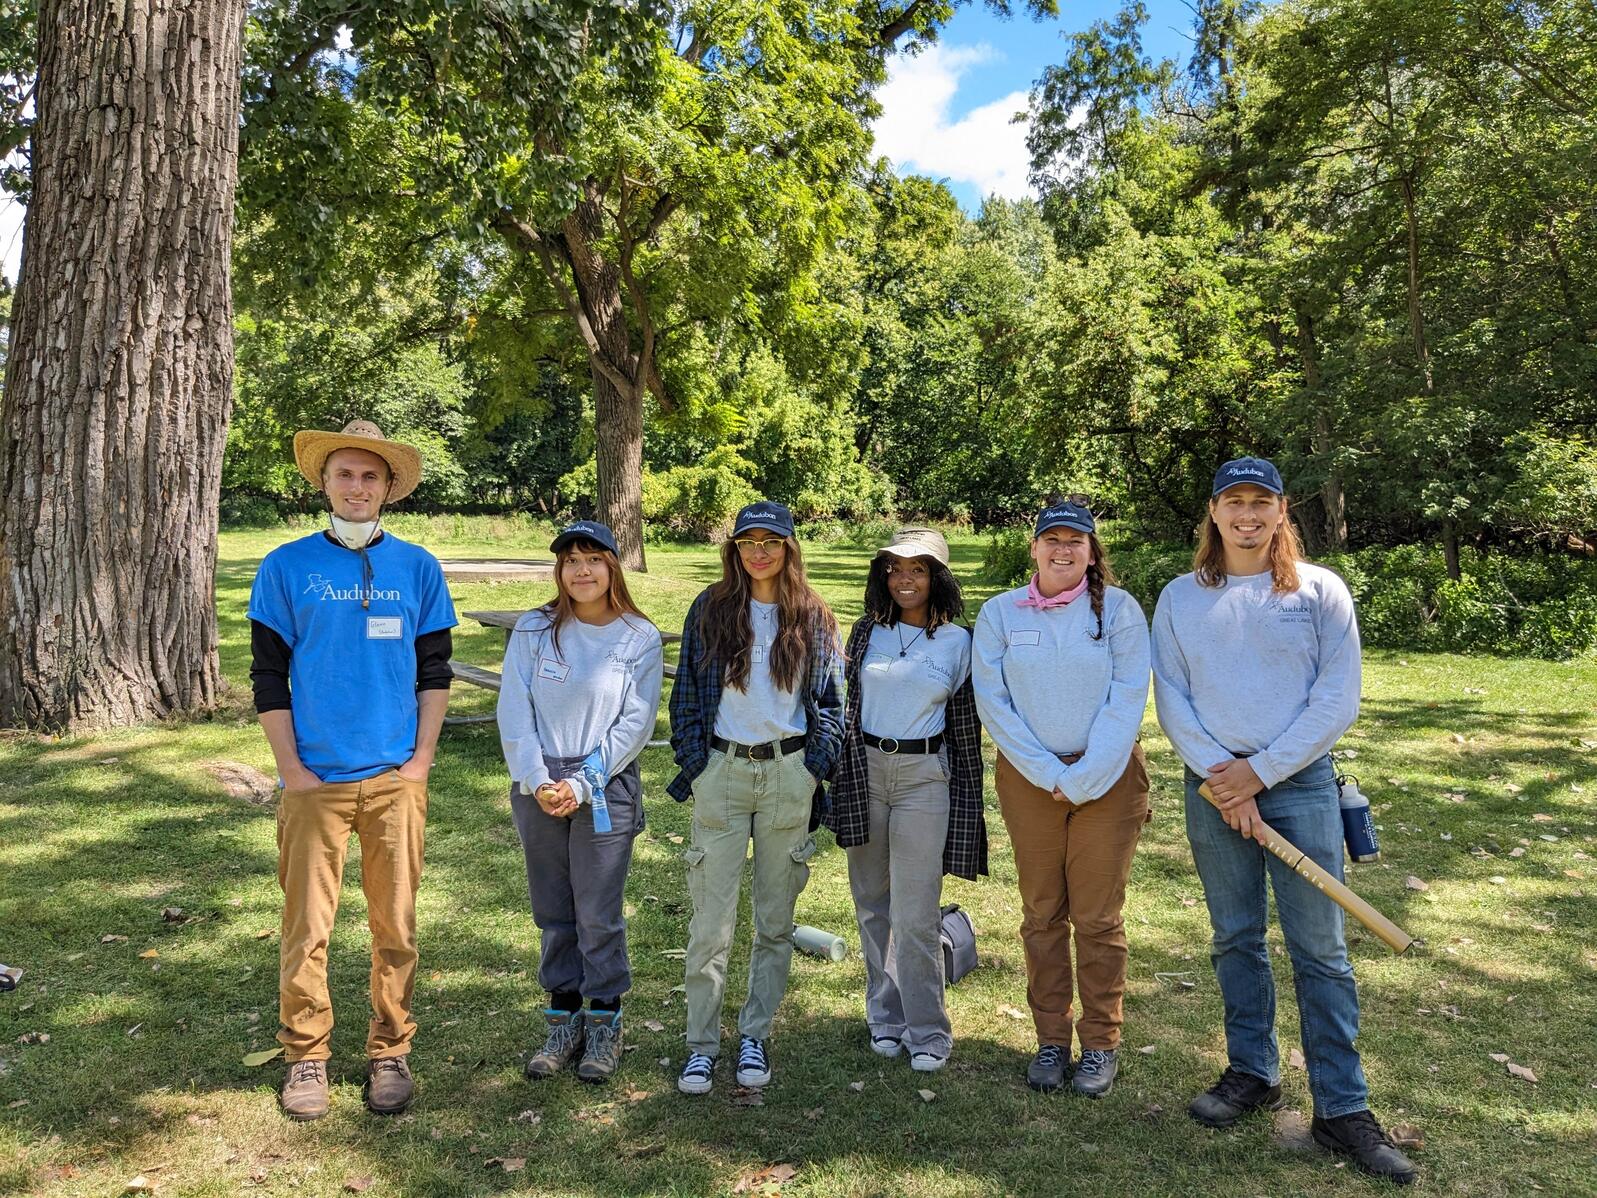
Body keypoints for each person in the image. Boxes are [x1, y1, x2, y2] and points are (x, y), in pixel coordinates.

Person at [1151, 457, 1416, 1185]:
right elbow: (1170, 695)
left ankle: (1341, 1108)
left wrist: (1259, 774)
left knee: (1319, 950)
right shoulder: (1180, 597)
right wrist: (1223, 778)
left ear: (1279, 510)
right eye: (1232, 502)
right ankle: (1251, 1073)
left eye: (1258, 503)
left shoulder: (1319, 590)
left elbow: (1337, 699)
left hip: (1296, 786)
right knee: (1234, 937)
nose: (1245, 515)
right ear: (1212, 511)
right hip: (1210, 787)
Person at [247, 420, 457, 1120]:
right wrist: (292, 771)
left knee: (394, 925)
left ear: (388, 488)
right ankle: (306, 1055)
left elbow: (435, 671)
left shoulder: (418, 569)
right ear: (324, 482)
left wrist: (420, 762)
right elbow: (268, 678)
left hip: (394, 778)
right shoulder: (284, 566)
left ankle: (389, 1048)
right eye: (345, 474)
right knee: (308, 926)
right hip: (315, 780)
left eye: (371, 476)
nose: (358, 486)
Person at [972, 499, 1150, 1097]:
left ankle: (1101, 1044)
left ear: (1092, 551)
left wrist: (1083, 776)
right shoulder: (1000, 613)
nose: (1063, 550)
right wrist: (1046, 771)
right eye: (1053, 540)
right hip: (1030, 779)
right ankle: (1052, 1039)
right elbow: (993, 701)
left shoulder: (1120, 611)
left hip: (1108, 779)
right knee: (1043, 913)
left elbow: (1127, 697)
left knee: (1098, 917)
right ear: (1035, 548)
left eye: (1077, 541)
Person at [667, 501, 844, 1096]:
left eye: (772, 541)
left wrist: (811, 771)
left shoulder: (813, 615)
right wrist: (699, 766)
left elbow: (831, 704)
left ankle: (755, 1036)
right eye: (749, 542)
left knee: (775, 921)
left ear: (790, 548)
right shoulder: (711, 608)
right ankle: (701, 1045)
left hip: (787, 776)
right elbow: (687, 693)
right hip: (722, 772)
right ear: (735, 549)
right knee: (710, 922)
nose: (759, 551)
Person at [497, 521, 663, 1084]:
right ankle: (562, 1020)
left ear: (614, 567)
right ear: (559, 571)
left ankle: (605, 1025)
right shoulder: (535, 628)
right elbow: (514, 707)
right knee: (553, 908)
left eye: (593, 559)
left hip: (603, 786)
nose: (582, 570)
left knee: (597, 912)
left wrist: (583, 782)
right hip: (539, 783)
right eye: (571, 560)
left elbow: (634, 723)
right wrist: (539, 779)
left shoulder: (637, 636)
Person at [826, 527, 985, 1073]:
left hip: (924, 775)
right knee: (872, 901)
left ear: (937, 576)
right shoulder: (868, 630)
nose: (905, 579)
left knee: (915, 912)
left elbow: (967, 719)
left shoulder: (959, 642)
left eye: (917, 569)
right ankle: (884, 1017)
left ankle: (928, 1029)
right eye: (895, 568)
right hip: (865, 769)